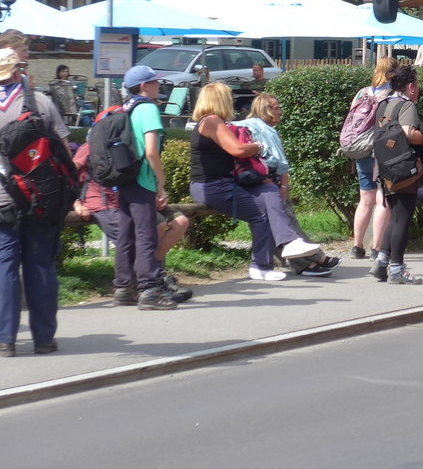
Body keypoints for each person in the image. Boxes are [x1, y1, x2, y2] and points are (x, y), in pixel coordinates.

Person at [188, 81, 320, 281]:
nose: (232, 101)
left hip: (223, 184)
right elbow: (238, 150)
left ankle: (289, 242)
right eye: (229, 97)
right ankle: (261, 265)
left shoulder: (211, 122)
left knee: (270, 192)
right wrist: (258, 146)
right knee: (260, 214)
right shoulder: (212, 121)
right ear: (220, 100)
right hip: (212, 186)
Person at [0, 48, 67, 355]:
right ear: (18, 70)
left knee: (2, 267)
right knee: (40, 266)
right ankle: (44, 338)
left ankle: (3, 339)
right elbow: (65, 151)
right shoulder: (42, 102)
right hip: (40, 199)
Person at [71, 144, 193, 300]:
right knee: (143, 236)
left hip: (129, 200)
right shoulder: (90, 147)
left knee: (175, 223)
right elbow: (69, 173)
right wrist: (76, 201)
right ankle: (152, 281)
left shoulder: (128, 144)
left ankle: (150, 276)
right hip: (102, 204)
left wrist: (156, 193)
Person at [234, 93, 337, 276]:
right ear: (266, 110)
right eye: (276, 108)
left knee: (274, 224)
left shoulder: (244, 126)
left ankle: (305, 262)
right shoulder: (265, 130)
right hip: (267, 181)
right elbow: (280, 163)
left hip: (248, 181)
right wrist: (282, 186)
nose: (280, 111)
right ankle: (312, 260)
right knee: (287, 223)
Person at [107, 65, 182, 310]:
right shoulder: (148, 108)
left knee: (126, 234)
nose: (158, 85)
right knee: (146, 234)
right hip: (142, 180)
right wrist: (161, 183)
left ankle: (123, 288)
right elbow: (151, 151)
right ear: (143, 86)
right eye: (154, 82)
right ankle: (148, 289)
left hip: (124, 179)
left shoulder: (125, 108)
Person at [370, 64, 423, 285]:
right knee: (403, 217)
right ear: (411, 86)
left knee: (395, 214)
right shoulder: (407, 105)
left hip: (385, 166)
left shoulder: (384, 103)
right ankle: (397, 269)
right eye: (417, 85)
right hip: (403, 168)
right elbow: (407, 134)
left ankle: (382, 260)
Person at [350, 55, 395, 259]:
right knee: (381, 199)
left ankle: (357, 246)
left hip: (361, 149)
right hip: (380, 150)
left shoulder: (362, 93)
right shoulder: (391, 94)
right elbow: (387, 123)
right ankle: (377, 247)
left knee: (364, 200)